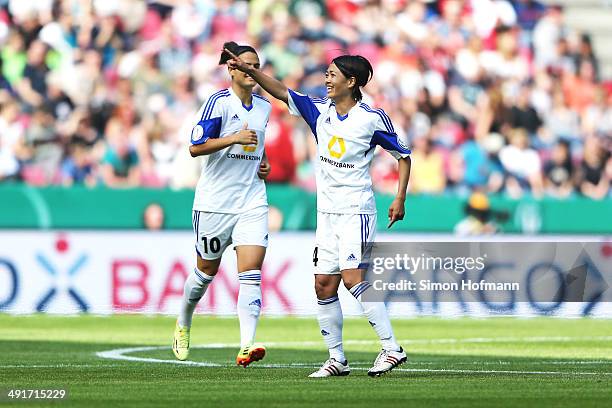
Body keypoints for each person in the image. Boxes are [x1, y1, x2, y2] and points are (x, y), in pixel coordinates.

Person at [225, 49, 412, 377]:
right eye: (326, 74)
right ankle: (337, 359)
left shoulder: (371, 118)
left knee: (353, 278)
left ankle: (391, 348)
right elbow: (282, 92)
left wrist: (400, 198)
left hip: (356, 210)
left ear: (351, 82)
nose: (326, 79)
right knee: (324, 284)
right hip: (327, 213)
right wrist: (250, 71)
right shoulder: (318, 111)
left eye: (332, 75)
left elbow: (403, 155)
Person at [173, 42, 272, 368]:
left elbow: (256, 143)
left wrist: (264, 162)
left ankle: (247, 344)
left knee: (251, 273)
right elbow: (195, 147)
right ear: (232, 69)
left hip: (252, 200)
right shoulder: (218, 103)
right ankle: (185, 318)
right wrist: (233, 139)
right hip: (215, 203)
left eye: (257, 65)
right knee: (205, 272)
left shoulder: (264, 107)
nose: (253, 71)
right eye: (247, 65)